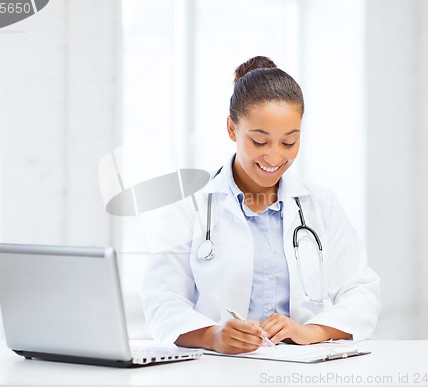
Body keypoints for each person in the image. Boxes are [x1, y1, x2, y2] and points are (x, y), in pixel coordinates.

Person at [141, 56, 380, 354]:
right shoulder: (190, 208)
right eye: (259, 141)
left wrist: (309, 331)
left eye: (289, 143)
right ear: (232, 129)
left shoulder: (321, 205)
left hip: (302, 370)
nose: (274, 157)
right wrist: (211, 336)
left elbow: (361, 292)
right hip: (218, 372)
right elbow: (162, 299)